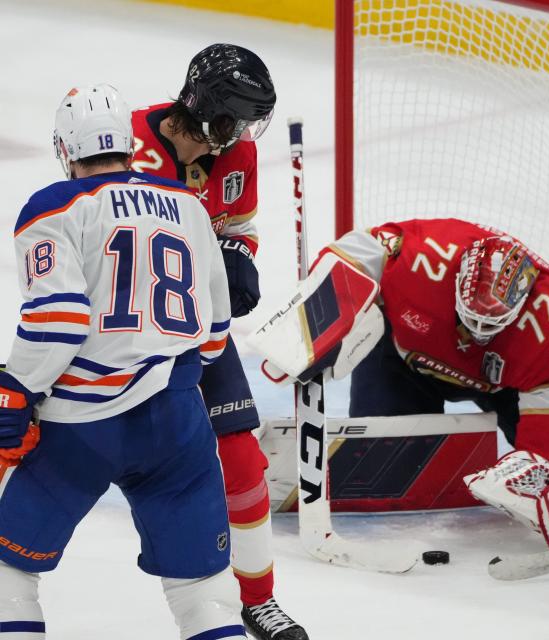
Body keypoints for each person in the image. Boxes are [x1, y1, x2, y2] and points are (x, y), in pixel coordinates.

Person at [0, 84, 241, 638]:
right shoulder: (189, 205)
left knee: (8, 573)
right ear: (129, 145)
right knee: (205, 592)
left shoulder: (54, 205)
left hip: (80, 431)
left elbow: (58, 319)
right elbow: (213, 336)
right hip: (179, 426)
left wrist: (17, 389)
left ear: (66, 149)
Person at [130, 44, 306, 640]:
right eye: (236, 118)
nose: (242, 135)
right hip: (116, 339)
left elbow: (238, 227)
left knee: (244, 463)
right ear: (204, 107)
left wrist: (236, 256)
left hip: (199, 335)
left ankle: (257, 599)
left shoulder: (238, 153)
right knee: (49, 456)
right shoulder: (124, 146)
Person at [315, 218, 549, 549]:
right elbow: (352, 254)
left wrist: (544, 458)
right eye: (471, 318)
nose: (475, 332)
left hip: (503, 385)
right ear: (457, 278)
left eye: (490, 324)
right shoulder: (421, 258)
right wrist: (310, 319)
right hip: (406, 359)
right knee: (383, 465)